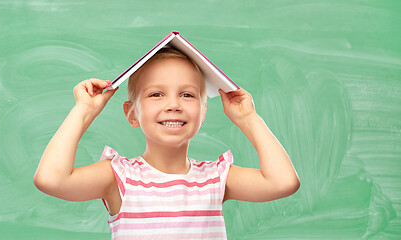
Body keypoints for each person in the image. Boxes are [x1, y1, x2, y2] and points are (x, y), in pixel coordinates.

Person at [34, 48, 300, 239]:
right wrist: (84, 111)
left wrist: (248, 119)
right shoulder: (119, 177)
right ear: (132, 114)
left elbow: (283, 182)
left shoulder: (216, 178)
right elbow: (51, 179)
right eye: (156, 94)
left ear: (203, 113)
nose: (173, 105)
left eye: (186, 94)